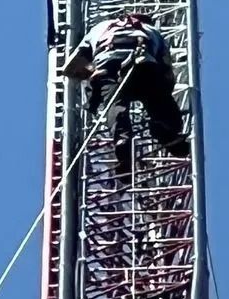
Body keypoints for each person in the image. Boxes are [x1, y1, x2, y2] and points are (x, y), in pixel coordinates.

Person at [60, 12, 190, 182]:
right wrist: (163, 96)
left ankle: (123, 145)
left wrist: (91, 72)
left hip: (107, 67)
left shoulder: (99, 29)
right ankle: (168, 132)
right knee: (159, 102)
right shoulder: (152, 31)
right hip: (144, 67)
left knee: (115, 106)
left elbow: (71, 67)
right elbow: (166, 69)